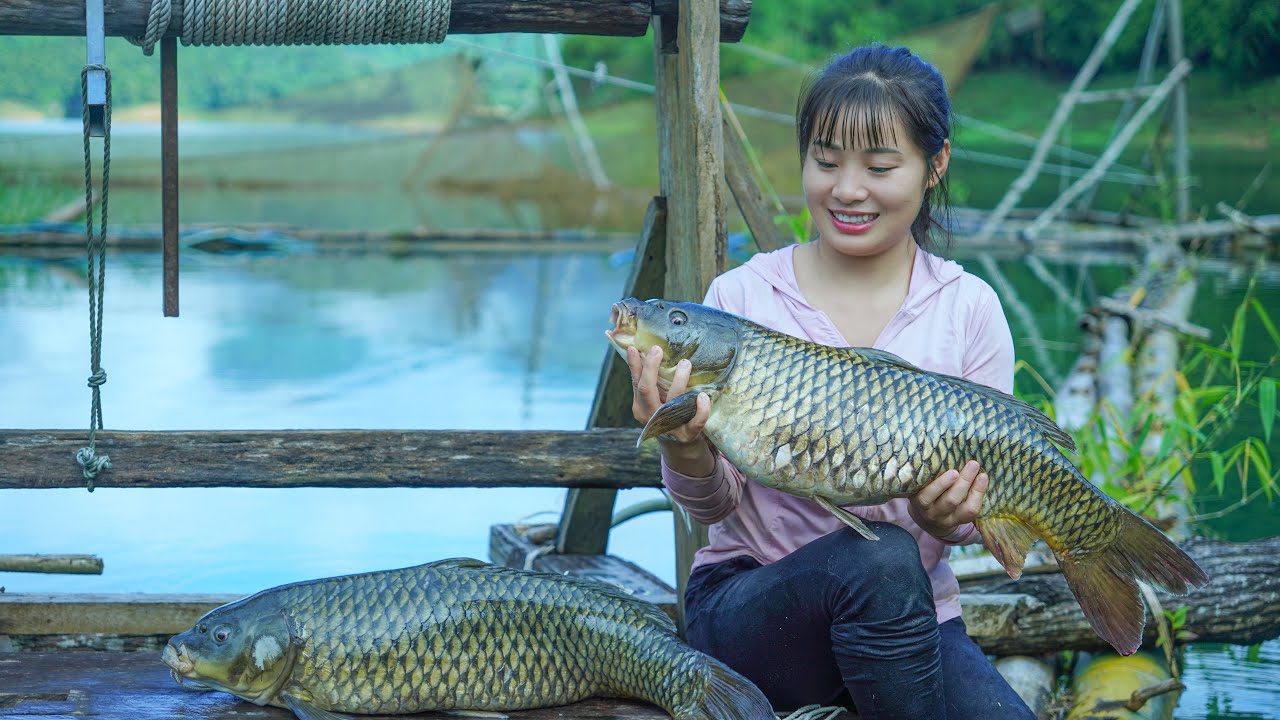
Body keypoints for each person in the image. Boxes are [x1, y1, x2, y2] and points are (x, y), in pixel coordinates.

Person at [622, 45, 1037, 719]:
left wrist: (949, 516)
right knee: (882, 558)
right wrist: (682, 443)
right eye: (825, 161)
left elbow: (969, 519)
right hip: (753, 610)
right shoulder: (743, 298)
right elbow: (717, 507)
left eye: (879, 167)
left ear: (935, 167)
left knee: (904, 578)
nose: (847, 188)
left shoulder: (970, 310)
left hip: (914, 623)